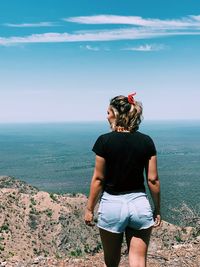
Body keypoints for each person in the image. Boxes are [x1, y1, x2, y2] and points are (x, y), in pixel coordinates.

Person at [84, 93, 161, 267]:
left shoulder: (104, 141)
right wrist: (157, 209)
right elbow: (153, 179)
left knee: (111, 262)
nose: (106, 116)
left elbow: (98, 179)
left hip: (112, 205)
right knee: (138, 261)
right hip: (140, 205)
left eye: (108, 112)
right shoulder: (146, 141)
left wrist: (90, 208)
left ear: (116, 114)